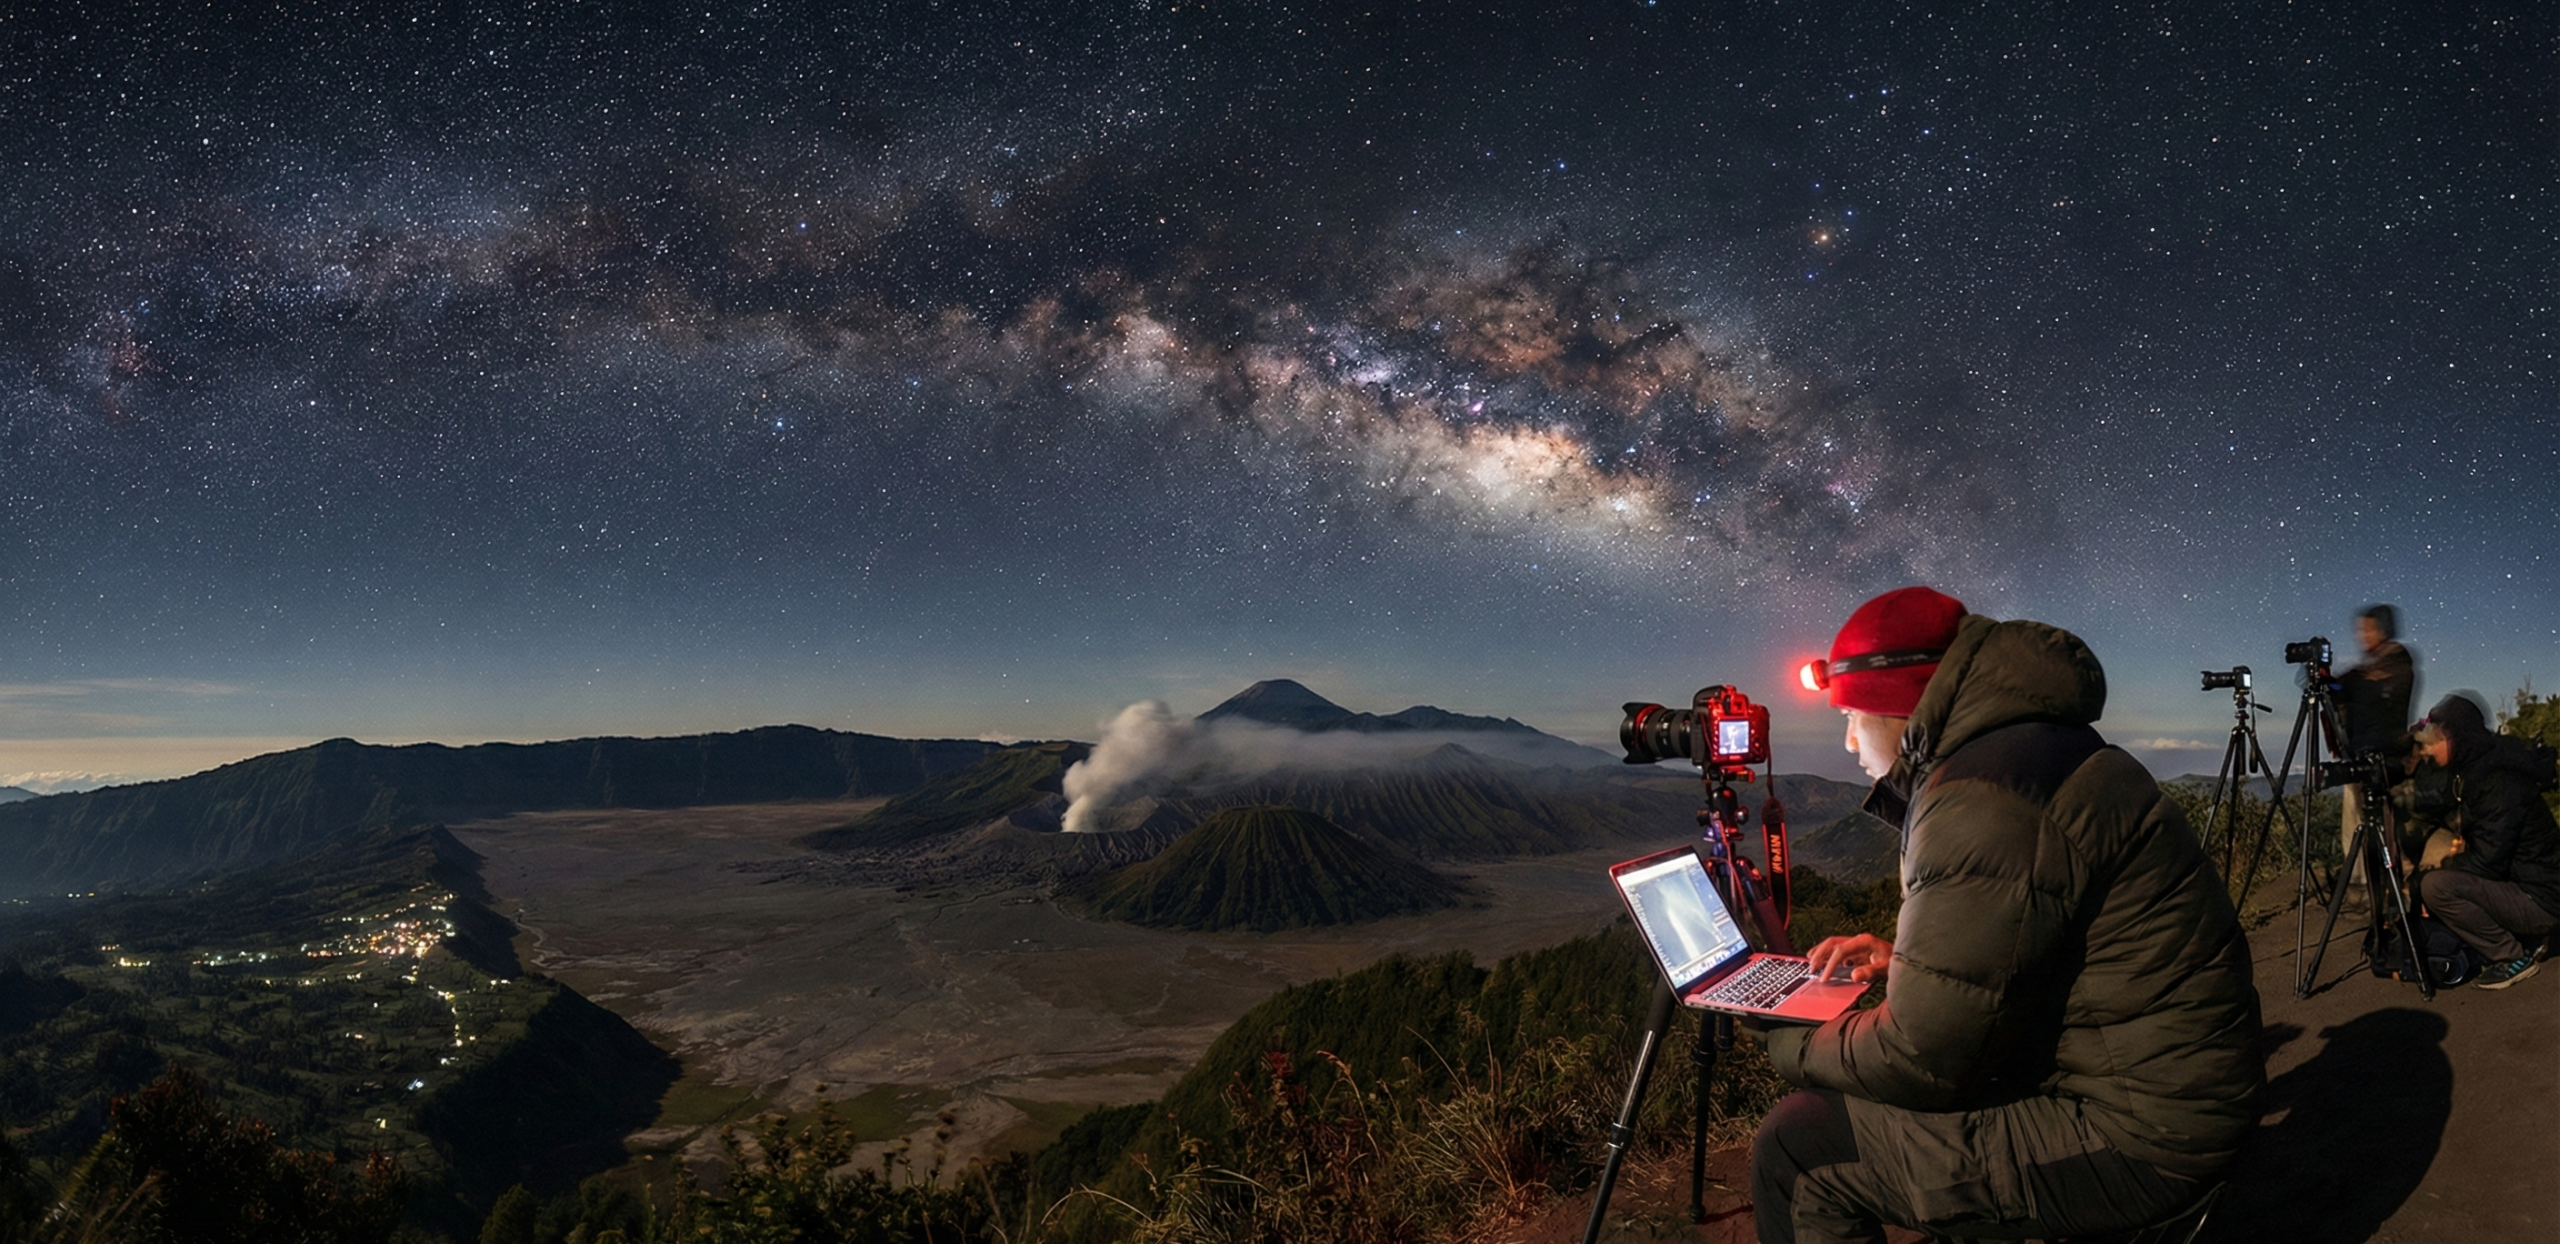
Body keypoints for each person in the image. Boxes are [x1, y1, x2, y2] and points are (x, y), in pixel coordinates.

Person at [1752, 587, 2264, 1244]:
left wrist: (1782, 1031)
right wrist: (1906, 963)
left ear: (1903, 712)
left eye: (1853, 716)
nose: (1849, 741)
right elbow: (2029, 940)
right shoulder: (2041, 749)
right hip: (2184, 1092)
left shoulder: (1984, 799)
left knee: (1798, 1148)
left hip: (2145, 1140)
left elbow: (1920, 1060)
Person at [2410, 693, 2560, 989]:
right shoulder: (2486, 765)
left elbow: (2488, 861)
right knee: (2442, 872)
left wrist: (2428, 878)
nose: (2426, 751)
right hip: (2536, 885)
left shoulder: (2497, 781)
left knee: (2435, 887)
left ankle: (2512, 957)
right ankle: (2526, 935)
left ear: (2457, 738)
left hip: (2543, 899)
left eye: (2433, 742)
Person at [2335, 604, 2418, 887]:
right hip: (2358, 756)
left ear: (2383, 629)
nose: (2362, 636)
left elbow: (2362, 687)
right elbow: (2342, 688)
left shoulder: (2396, 665)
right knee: (2356, 823)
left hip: (2383, 760)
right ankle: (2365, 883)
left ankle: (2390, 886)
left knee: (2379, 828)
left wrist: (2338, 685)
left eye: (2367, 629)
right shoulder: (2369, 670)